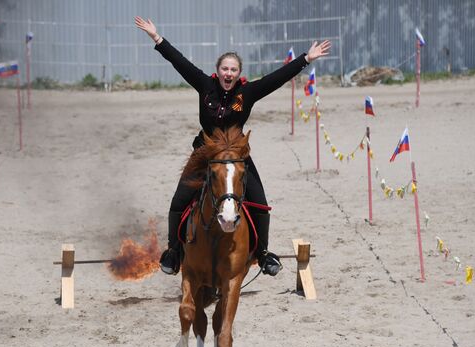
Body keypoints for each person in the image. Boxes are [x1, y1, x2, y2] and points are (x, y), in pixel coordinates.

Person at [135, 16, 331, 276]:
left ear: (239, 73)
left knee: (260, 202)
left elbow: (277, 77)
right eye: (225, 69)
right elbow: (179, 62)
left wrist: (306, 59)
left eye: (233, 70)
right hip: (205, 154)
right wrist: (156, 38)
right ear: (218, 71)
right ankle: (173, 252)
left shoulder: (247, 93)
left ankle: (262, 253)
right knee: (178, 200)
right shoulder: (205, 85)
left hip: (237, 156)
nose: (229, 74)